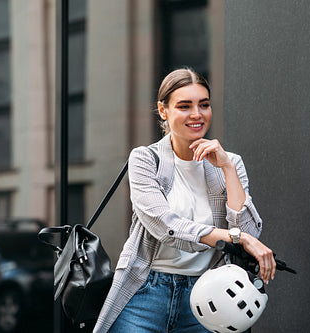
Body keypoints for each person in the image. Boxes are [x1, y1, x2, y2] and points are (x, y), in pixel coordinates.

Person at [93, 67, 276, 333]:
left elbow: (248, 233)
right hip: (145, 291)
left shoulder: (231, 162)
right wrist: (236, 237)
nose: (196, 114)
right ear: (163, 110)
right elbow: (167, 226)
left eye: (204, 105)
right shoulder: (145, 160)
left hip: (209, 296)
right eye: (184, 106)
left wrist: (227, 169)